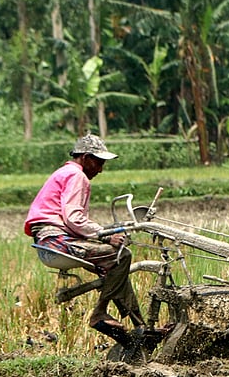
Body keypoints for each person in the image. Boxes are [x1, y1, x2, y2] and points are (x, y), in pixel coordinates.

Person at [24, 133, 143, 347]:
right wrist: (105, 234)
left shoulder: (65, 172)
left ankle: (140, 327)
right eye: (98, 162)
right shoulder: (76, 175)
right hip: (55, 240)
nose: (100, 169)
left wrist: (103, 232)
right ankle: (100, 313)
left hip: (49, 240)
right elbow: (73, 217)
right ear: (86, 157)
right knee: (122, 254)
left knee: (114, 266)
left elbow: (72, 220)